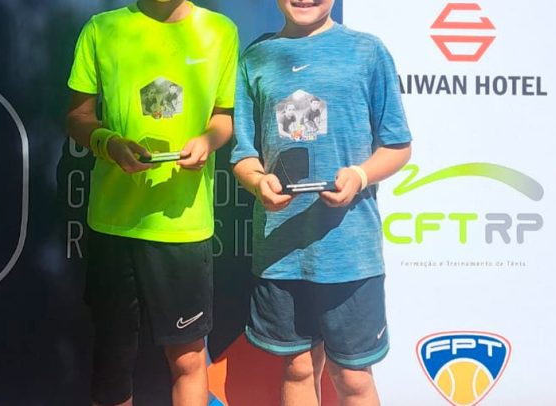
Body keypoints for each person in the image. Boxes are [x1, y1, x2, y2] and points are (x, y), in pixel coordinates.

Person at [230, 0, 412, 405]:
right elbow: (242, 154)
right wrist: (258, 182)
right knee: (297, 369)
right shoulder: (256, 56)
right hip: (280, 252)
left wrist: (359, 175)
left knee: (353, 378)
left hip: (350, 252)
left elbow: (398, 146)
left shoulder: (367, 51)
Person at [65, 0, 238, 405]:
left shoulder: (220, 31)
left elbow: (224, 116)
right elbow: (77, 117)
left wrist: (208, 141)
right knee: (112, 361)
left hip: (183, 225)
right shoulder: (101, 29)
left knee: (189, 360)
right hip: (114, 224)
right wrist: (108, 143)